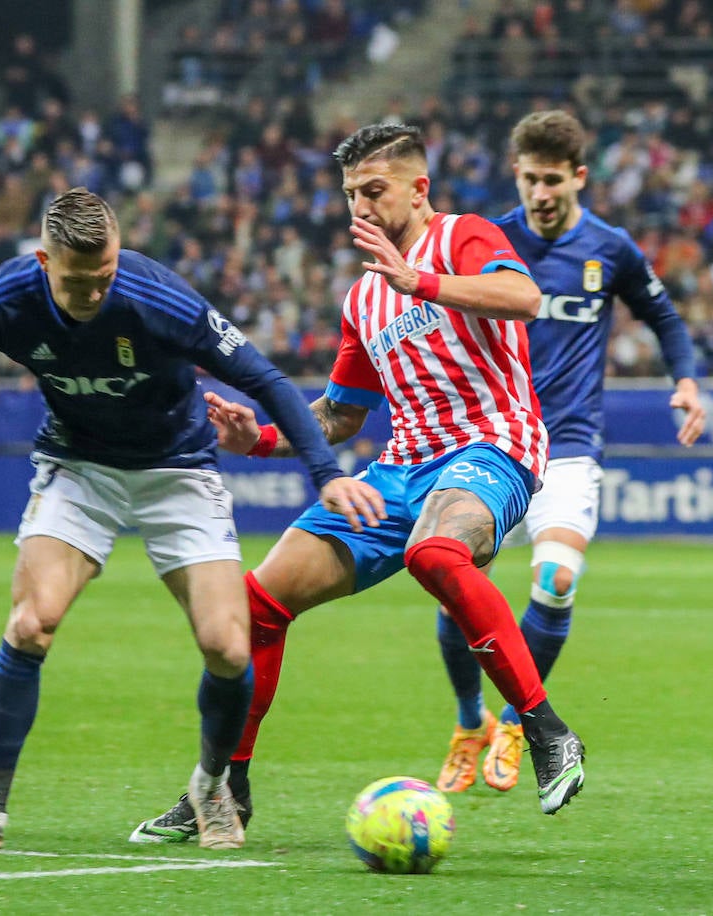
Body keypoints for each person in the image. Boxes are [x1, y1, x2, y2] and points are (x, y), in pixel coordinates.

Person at [0, 187, 384, 854]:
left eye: (105, 277)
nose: (96, 294)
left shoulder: (159, 298)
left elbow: (268, 381)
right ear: (44, 261)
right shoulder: (5, 299)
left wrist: (325, 472)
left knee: (227, 646)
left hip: (178, 469)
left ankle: (211, 785)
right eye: (79, 282)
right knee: (30, 623)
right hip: (79, 468)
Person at [130, 122, 585, 843]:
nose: (360, 209)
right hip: (401, 468)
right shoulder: (364, 299)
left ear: (418, 188)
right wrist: (265, 439)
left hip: (492, 447)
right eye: (350, 195)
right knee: (256, 607)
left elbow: (524, 299)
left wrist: (420, 281)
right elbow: (341, 414)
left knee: (434, 556)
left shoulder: (462, 237)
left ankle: (545, 729)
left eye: (374, 192)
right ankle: (224, 788)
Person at [433, 109, 705, 796]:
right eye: (529, 179)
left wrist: (687, 381)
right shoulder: (489, 242)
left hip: (570, 446)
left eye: (553, 180)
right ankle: (469, 723)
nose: (541, 193)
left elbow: (664, 317)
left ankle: (516, 722)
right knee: (455, 587)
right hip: (494, 441)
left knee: (555, 580)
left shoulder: (609, 248)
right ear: (516, 175)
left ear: (578, 176)